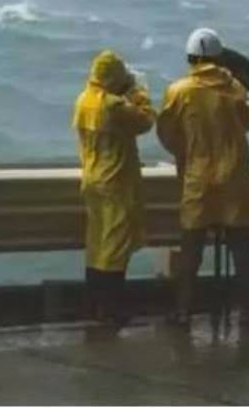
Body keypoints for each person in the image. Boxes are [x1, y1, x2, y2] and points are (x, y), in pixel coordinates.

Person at [156, 28, 249, 328]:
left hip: (198, 178)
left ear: (191, 58)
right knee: (241, 248)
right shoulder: (236, 89)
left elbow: (166, 132)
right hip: (235, 179)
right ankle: (248, 312)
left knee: (192, 248)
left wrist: (187, 154)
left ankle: (183, 312)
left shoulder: (179, 91)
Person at [72, 49, 156, 327]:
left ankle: (93, 304)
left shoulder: (84, 100)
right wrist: (138, 92)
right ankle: (111, 308)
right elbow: (145, 120)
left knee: (96, 244)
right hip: (116, 181)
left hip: (92, 178)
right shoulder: (113, 105)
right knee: (115, 247)